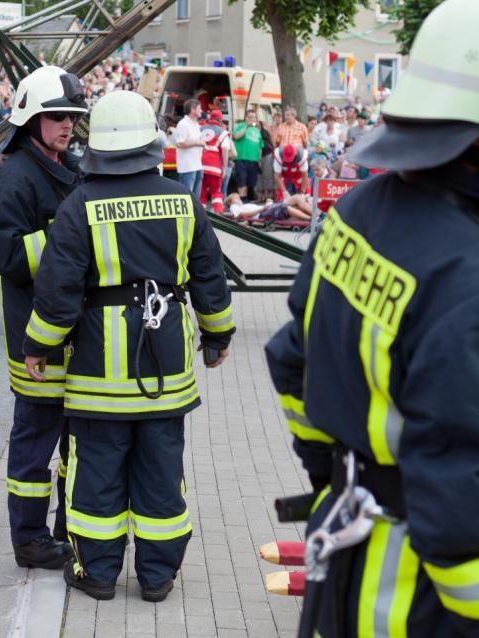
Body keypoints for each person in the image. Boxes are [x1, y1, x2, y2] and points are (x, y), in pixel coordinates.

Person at [266, 1, 479, 635]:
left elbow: (291, 361)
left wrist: (334, 471)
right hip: (425, 599)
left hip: (351, 548)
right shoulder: (465, 272)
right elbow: (456, 480)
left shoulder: (357, 211)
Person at [23, 90, 234, 602]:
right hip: (167, 364)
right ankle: (158, 577)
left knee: (97, 475)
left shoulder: (80, 205)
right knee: (161, 472)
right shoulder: (182, 200)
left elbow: (58, 288)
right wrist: (217, 336)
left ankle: (97, 574)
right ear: (151, 142)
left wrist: (39, 346)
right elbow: (209, 275)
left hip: (100, 372)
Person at [0, 65, 87, 570]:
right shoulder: (14, 178)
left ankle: (67, 528)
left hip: (80, 336)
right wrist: (69, 238)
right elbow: (7, 256)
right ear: (30, 119)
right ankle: (28, 539)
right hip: (35, 340)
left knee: (76, 444)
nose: (67, 125)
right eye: (57, 116)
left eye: (72, 116)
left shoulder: (75, 169)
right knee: (34, 444)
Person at [172, 98, 205, 198]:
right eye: (199, 108)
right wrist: (197, 143)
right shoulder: (183, 124)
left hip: (197, 164)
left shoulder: (196, 124)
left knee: (195, 198)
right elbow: (180, 143)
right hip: (187, 166)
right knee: (187, 197)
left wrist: (202, 144)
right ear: (192, 109)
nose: (201, 111)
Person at [199, 109, 229, 212]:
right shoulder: (223, 132)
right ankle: (218, 212)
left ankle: (201, 214)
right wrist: (224, 167)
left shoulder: (200, 129)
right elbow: (225, 149)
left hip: (200, 165)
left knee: (201, 192)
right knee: (216, 191)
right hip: (215, 167)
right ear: (220, 120)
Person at [232, 109, 264, 201]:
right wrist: (246, 126)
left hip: (254, 160)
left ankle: (246, 198)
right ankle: (242, 198)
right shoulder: (241, 126)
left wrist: (260, 160)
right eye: (250, 117)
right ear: (246, 118)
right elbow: (236, 136)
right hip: (241, 158)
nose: (252, 119)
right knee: (242, 181)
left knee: (251, 182)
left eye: (254, 117)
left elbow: (260, 146)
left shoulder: (257, 130)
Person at [225, 192, 311, 222]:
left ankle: (315, 215)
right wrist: (262, 208)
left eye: (239, 197)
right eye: (236, 198)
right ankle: (311, 218)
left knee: (296, 197)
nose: (239, 199)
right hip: (261, 213)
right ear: (230, 202)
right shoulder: (234, 206)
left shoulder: (243, 205)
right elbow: (242, 214)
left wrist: (266, 204)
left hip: (266, 209)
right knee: (284, 207)